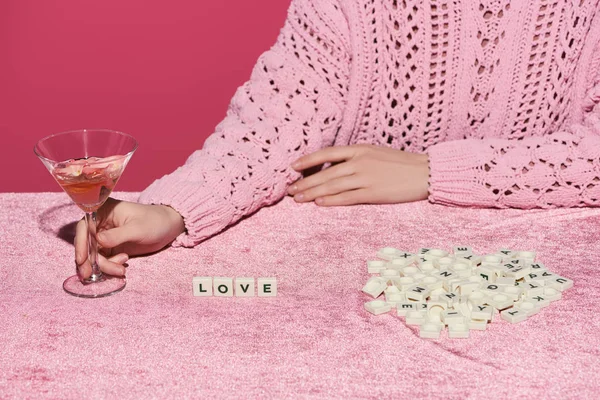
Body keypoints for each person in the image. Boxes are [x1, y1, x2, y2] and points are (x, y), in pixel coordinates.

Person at [75, 0, 600, 279]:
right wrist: (175, 209)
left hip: (543, 283)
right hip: (362, 279)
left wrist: (432, 171)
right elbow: (270, 127)